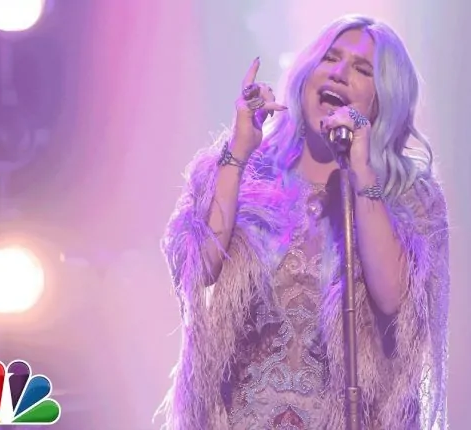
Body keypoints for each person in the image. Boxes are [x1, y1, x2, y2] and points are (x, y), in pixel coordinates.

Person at [157, 14, 450, 430]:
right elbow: (200, 268)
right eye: (330, 58)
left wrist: (361, 171)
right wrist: (238, 151)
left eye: (362, 69)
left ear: (384, 99)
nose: (339, 73)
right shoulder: (247, 173)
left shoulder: (409, 197)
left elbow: (393, 299)